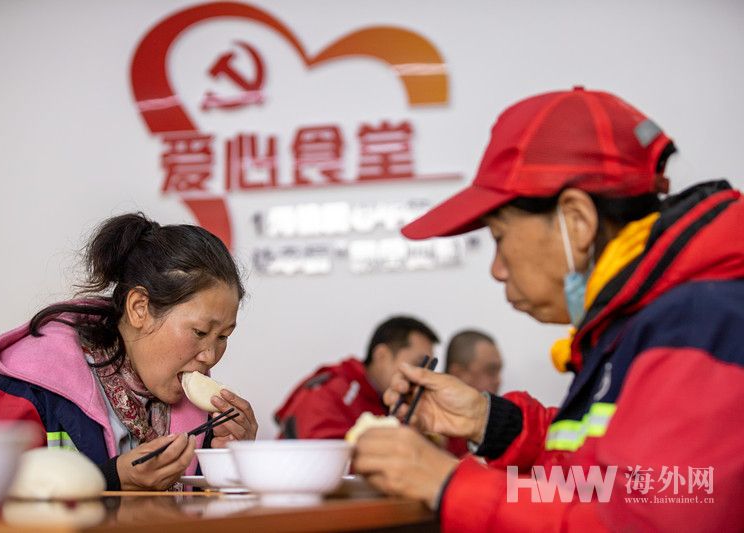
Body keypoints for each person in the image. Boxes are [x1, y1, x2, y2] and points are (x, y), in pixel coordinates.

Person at [351, 87, 744, 531]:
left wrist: (449, 486)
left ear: (576, 221)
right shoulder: (644, 323)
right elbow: (602, 483)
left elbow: (644, 521)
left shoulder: (701, 325)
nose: (497, 270)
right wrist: (490, 422)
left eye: (500, 238)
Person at [0, 213, 258, 491]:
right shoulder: (22, 388)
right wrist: (113, 479)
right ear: (139, 308)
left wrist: (231, 463)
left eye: (223, 336)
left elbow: (201, 514)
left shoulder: (204, 417)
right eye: (200, 332)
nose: (210, 356)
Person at [274, 316, 438, 439]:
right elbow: (323, 457)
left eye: (429, 368)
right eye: (418, 364)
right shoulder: (329, 390)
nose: (424, 377)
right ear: (381, 355)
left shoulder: (395, 400)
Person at [443, 330, 502, 456]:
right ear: (458, 374)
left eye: (499, 371)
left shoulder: (500, 429)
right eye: (491, 371)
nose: (498, 381)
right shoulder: (430, 432)